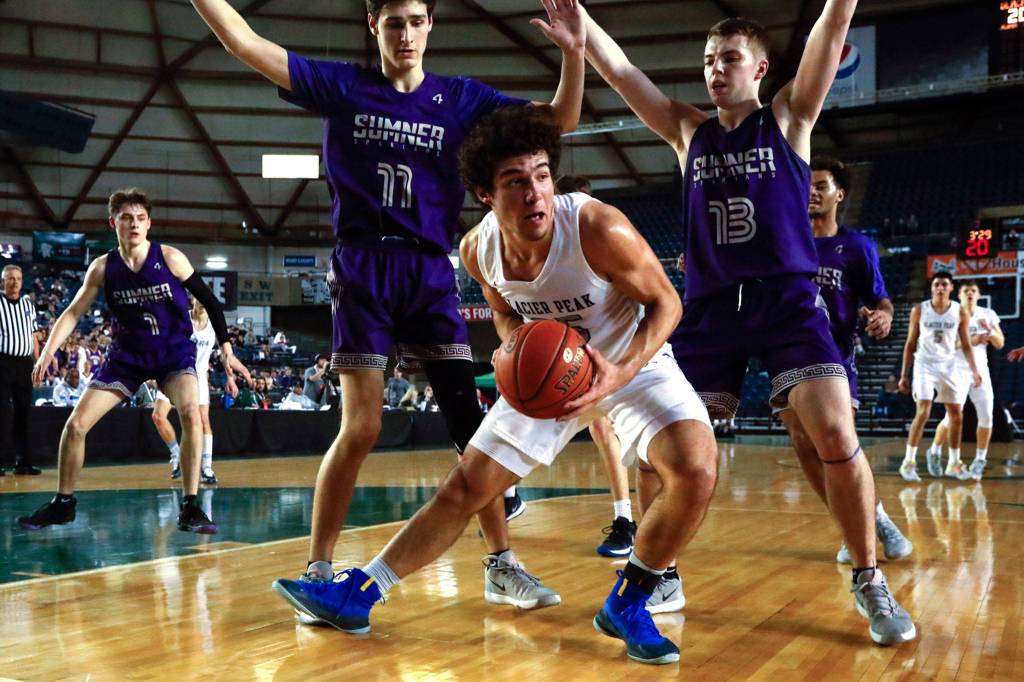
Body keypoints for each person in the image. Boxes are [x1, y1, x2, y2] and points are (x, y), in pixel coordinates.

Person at [273, 108, 716, 665]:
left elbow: (667, 303)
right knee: (465, 487)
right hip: (551, 376)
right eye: (515, 181)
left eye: (541, 175)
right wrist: (515, 350)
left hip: (631, 358)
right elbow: (506, 315)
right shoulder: (477, 251)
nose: (534, 193)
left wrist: (619, 370)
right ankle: (358, 592)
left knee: (696, 468)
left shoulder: (597, 228)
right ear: (486, 193)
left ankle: (629, 602)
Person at [191, 0, 585, 612]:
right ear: (374, 26)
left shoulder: (461, 98)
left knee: (469, 427)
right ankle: (319, 566)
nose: (405, 33)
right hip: (362, 266)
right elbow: (244, 42)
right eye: (393, 22)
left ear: (431, 26)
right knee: (363, 425)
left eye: (415, 20)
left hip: (429, 267)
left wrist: (573, 51)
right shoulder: (344, 85)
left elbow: (558, 120)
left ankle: (502, 564)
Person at [582, 2, 917, 645]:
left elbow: (832, 32)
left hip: (787, 303)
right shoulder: (688, 131)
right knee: (662, 453)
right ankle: (661, 569)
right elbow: (623, 71)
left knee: (833, 432)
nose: (715, 70)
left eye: (729, 59)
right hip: (711, 312)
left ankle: (870, 578)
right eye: (708, 61)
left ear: (759, 68)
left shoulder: (788, 119)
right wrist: (581, 29)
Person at [16, 187, 249, 534]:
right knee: (75, 426)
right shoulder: (102, 268)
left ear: (149, 223)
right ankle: (63, 503)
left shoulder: (170, 257)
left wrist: (227, 350)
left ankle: (191, 505)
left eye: (141, 218)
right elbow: (73, 311)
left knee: (190, 413)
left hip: (172, 352)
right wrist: (48, 349)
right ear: (114, 223)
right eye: (127, 218)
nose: (135, 224)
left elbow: (211, 303)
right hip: (126, 357)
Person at [781, 156, 911, 565]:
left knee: (839, 443)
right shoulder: (784, 239)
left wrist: (885, 315)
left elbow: (879, 299)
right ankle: (863, 521)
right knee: (804, 443)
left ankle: (871, 524)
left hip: (836, 357)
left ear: (840, 194)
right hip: (786, 351)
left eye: (821, 185)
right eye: (807, 185)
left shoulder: (856, 246)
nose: (812, 192)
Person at [554, 174, 644, 567]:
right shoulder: (549, 250)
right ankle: (624, 519)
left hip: (630, 354)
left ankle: (637, 531)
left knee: (644, 445)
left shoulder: (607, 232)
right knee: (597, 427)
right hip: (583, 358)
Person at [898, 271, 981, 482]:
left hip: (949, 364)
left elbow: (967, 344)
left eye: (944, 284)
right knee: (923, 411)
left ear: (951, 288)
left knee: (956, 414)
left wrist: (975, 370)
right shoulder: (919, 310)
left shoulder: (960, 311)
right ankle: (908, 462)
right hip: (924, 364)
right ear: (932, 287)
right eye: (937, 284)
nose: (940, 288)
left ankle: (953, 463)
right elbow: (909, 343)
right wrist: (903, 374)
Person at [926, 281, 1003, 480]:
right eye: (966, 291)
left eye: (973, 291)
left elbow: (1000, 343)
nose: (970, 293)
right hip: (955, 371)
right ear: (959, 295)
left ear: (978, 295)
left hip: (980, 371)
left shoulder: (988, 314)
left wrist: (991, 332)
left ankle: (980, 460)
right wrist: (972, 340)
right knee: (951, 417)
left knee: (986, 416)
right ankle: (934, 451)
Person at [151, 297, 221, 484]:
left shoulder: (214, 324)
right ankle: (177, 456)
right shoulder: (183, 318)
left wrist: (230, 377)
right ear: (192, 301)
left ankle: (206, 467)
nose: (201, 304)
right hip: (174, 372)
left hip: (198, 378)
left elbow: (225, 350)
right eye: (198, 300)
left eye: (204, 301)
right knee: (158, 416)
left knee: (204, 421)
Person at [0, 263, 43, 475]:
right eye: (10, 278)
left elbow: (34, 336)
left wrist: (38, 363)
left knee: (24, 414)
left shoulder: (27, 304)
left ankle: (23, 462)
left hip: (24, 364)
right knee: (2, 414)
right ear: (3, 282)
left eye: (17, 278)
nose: (14, 282)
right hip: (3, 363)